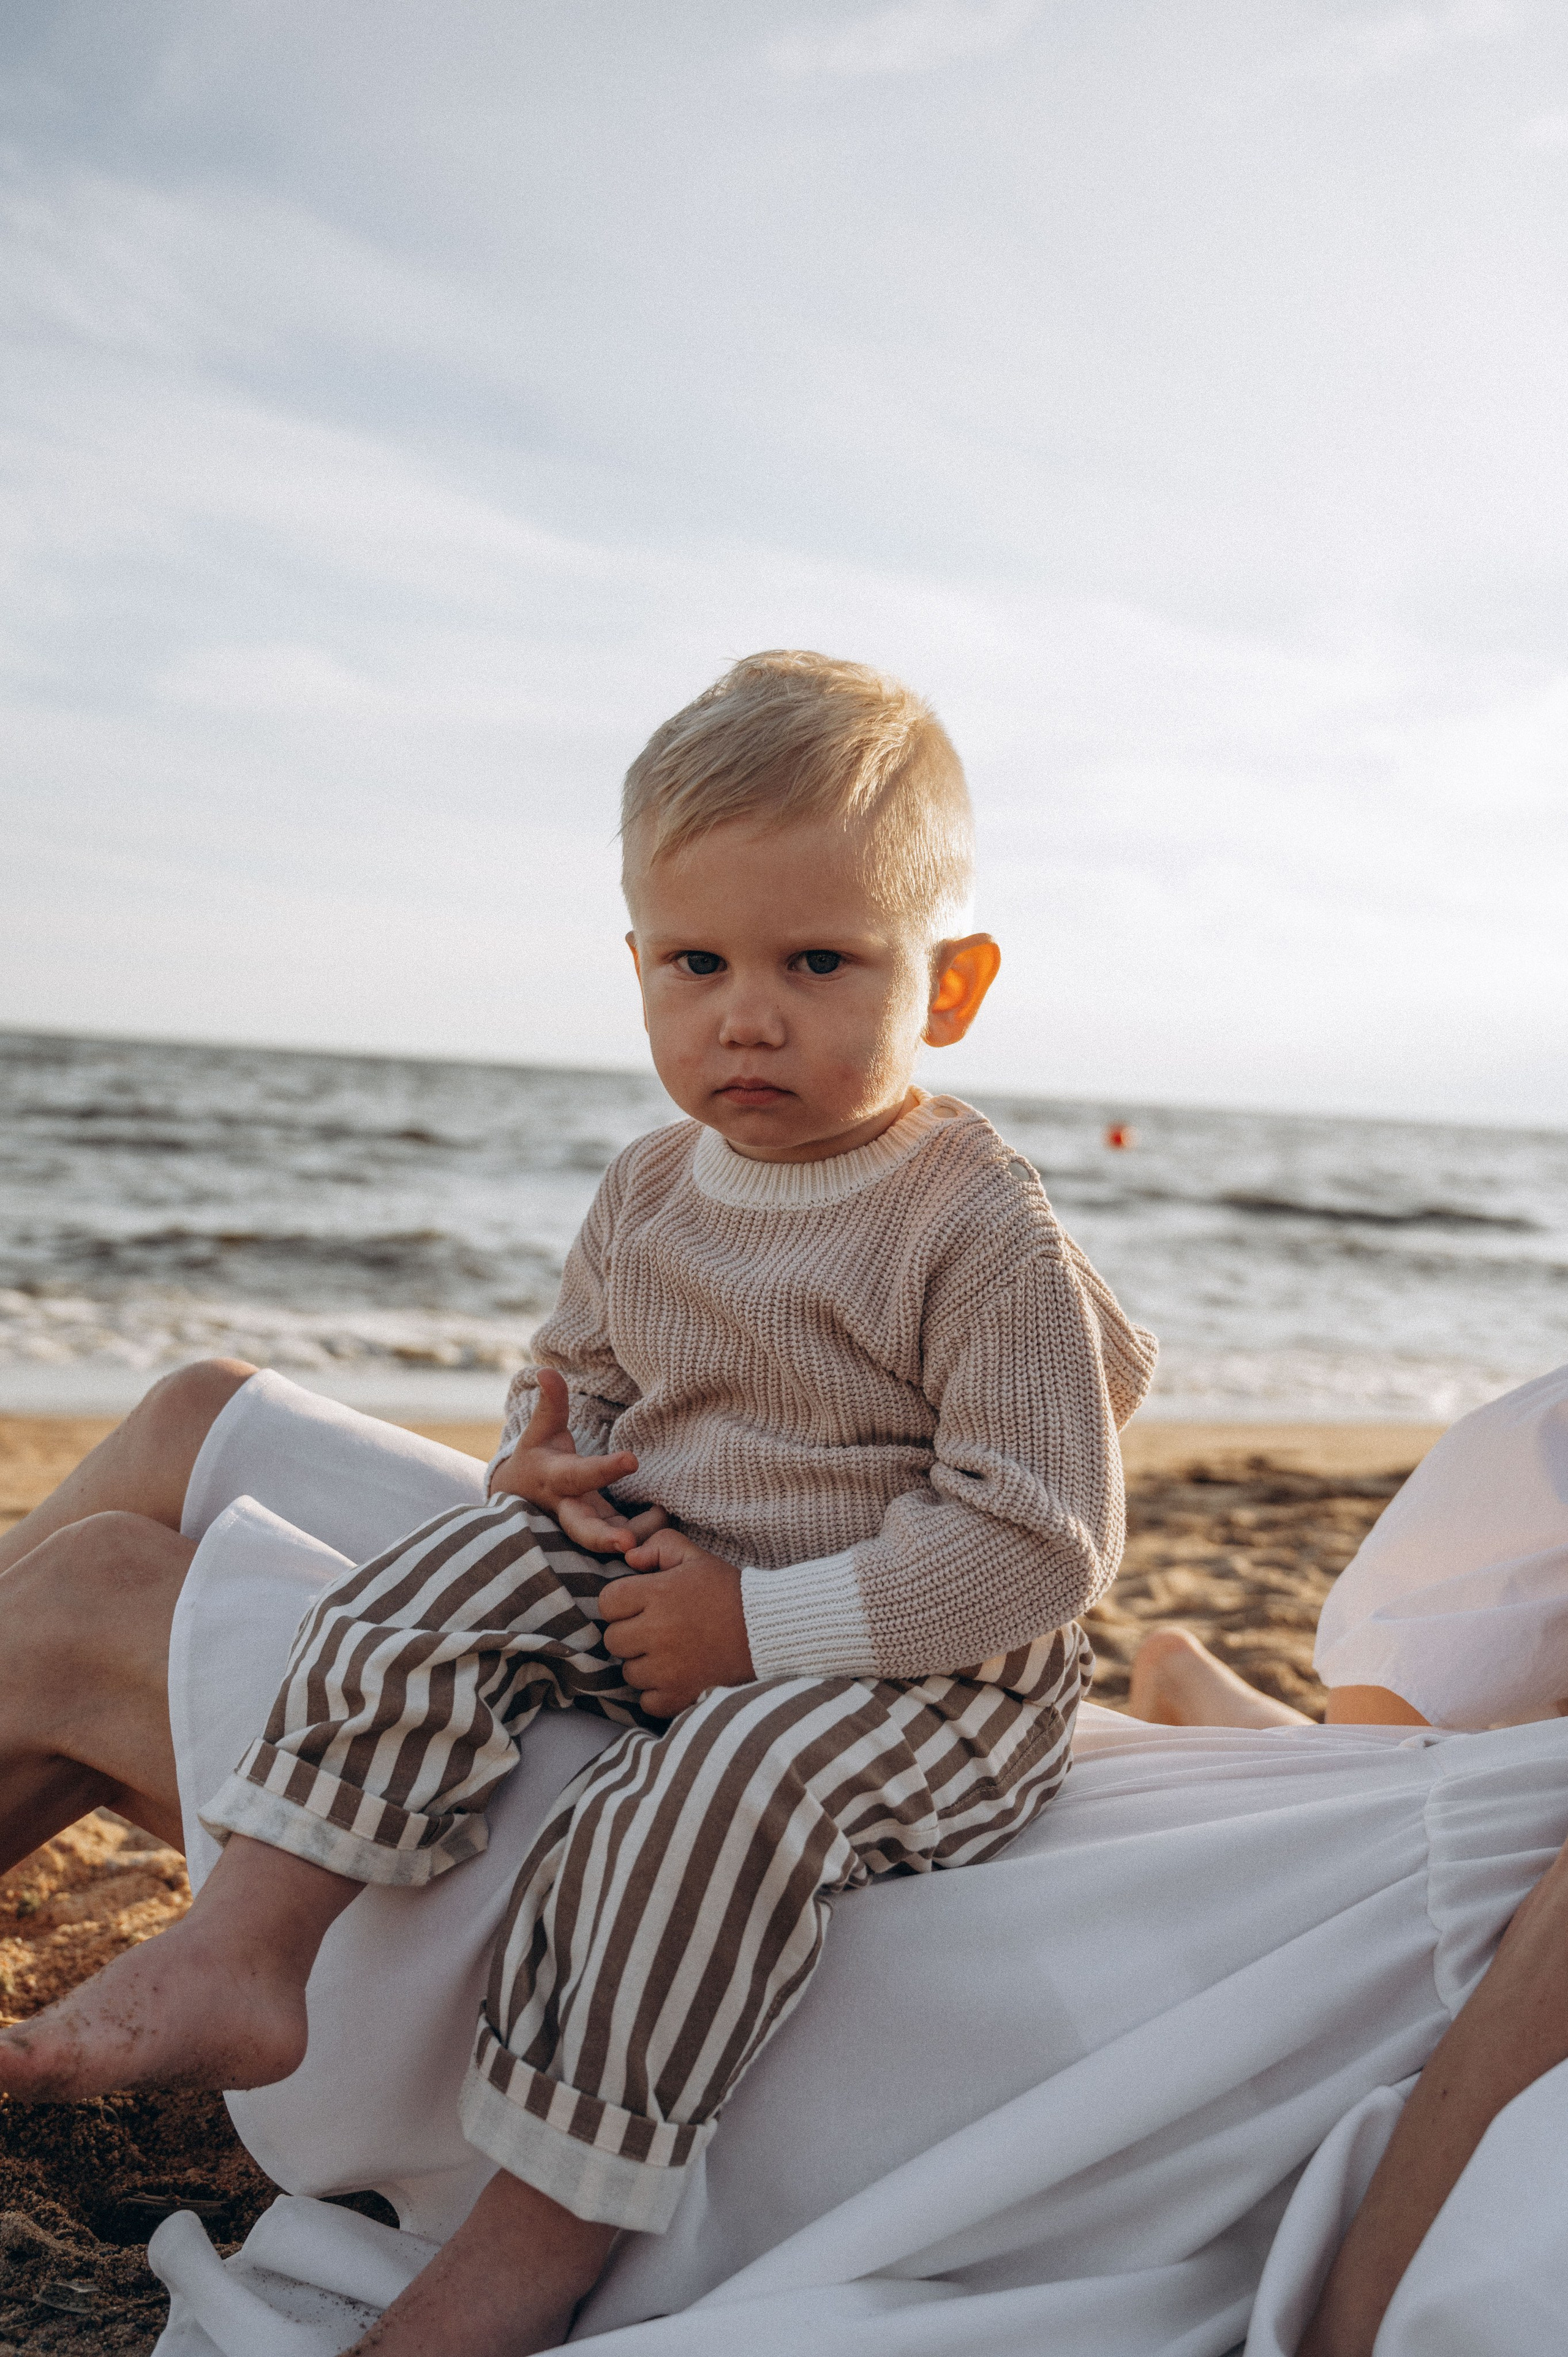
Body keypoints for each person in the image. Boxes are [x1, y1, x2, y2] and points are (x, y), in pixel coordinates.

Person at [0, 651, 1156, 2356]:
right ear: (636, 970)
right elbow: (578, 1373)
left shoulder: (975, 1224)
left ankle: (542, 2229)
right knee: (434, 1585)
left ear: (954, 982)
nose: (746, 1013)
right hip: (682, 1566)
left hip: (929, 1665)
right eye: (697, 963)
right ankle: (251, 1946)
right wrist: (543, 1455)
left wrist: (759, 1632)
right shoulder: (651, 1183)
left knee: (707, 1804)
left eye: (817, 963)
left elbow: (1041, 1542)